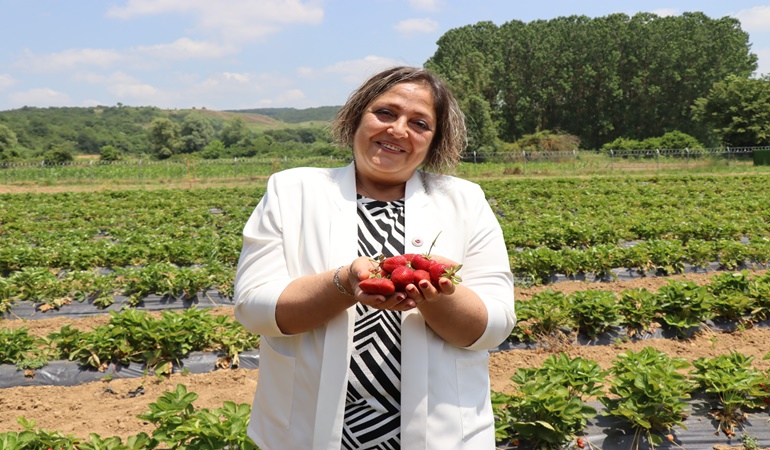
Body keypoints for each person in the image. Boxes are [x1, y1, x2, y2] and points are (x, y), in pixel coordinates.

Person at [233, 66, 516, 450]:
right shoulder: (293, 191)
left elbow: (494, 326)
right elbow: (254, 308)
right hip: (303, 434)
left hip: (442, 437)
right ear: (356, 118)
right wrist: (343, 283)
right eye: (385, 113)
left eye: (419, 123)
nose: (398, 130)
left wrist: (436, 295)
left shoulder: (464, 201)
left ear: (435, 141)